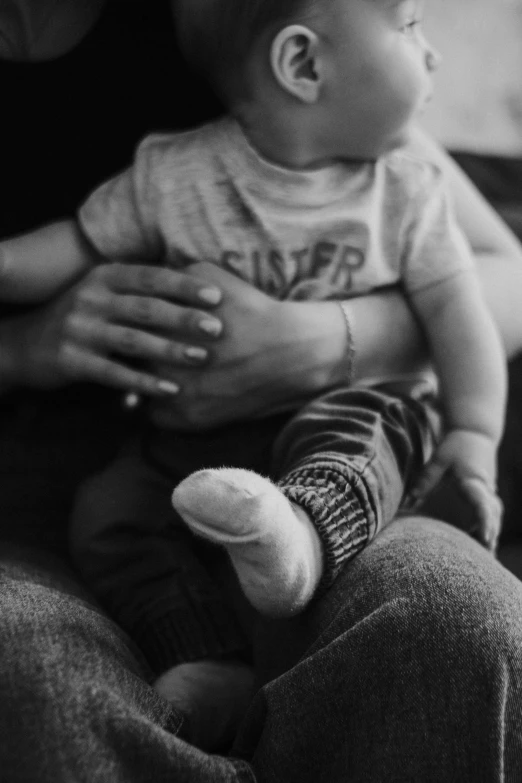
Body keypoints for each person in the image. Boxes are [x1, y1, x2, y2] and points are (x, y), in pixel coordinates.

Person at [2, 0, 522, 780]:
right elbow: (63, 246)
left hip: (343, 423)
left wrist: (325, 341)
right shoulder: (179, 168)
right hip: (119, 467)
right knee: (36, 664)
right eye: (412, 26)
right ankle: (205, 654)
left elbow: (507, 276)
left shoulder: (249, 27)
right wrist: (19, 344)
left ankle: (310, 526)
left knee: (455, 624)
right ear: (301, 64)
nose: (430, 51)